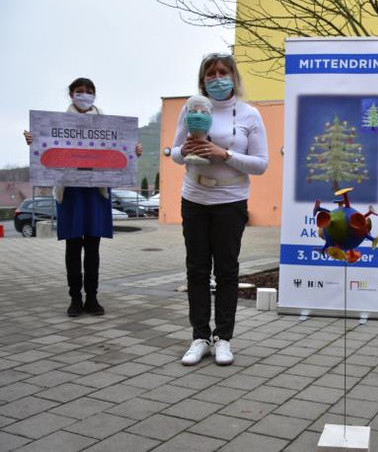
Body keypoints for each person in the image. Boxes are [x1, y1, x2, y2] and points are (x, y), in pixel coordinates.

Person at [171, 53, 268, 366]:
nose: (216, 78)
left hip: (230, 202)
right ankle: (200, 337)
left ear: (234, 77)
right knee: (197, 270)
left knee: (226, 271)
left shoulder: (250, 114)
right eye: (210, 74)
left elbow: (261, 165)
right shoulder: (191, 107)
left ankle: (223, 338)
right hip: (195, 199)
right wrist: (183, 150)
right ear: (203, 80)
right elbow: (174, 153)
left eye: (223, 72)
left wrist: (224, 154)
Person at [23, 77, 142, 317]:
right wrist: (33, 140)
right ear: (71, 95)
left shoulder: (109, 125)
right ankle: (75, 299)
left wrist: (133, 151)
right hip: (71, 191)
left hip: (97, 192)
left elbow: (118, 153)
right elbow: (46, 149)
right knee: (73, 245)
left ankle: (93, 297)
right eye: (80, 91)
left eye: (89, 91)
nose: (84, 95)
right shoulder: (55, 123)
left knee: (93, 247)